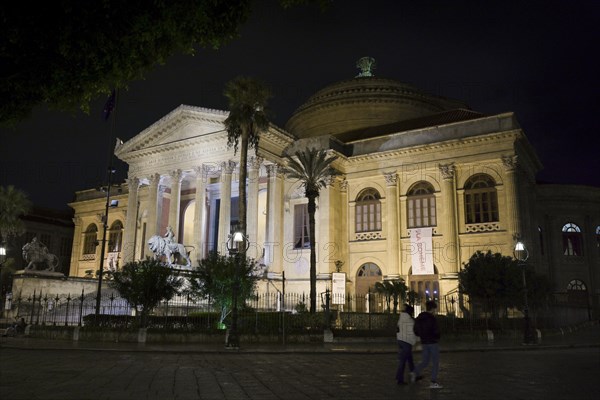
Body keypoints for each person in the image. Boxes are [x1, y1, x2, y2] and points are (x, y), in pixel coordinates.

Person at [411, 300, 443, 389]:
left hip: (424, 342)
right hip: (432, 342)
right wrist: (437, 337)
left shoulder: (420, 317)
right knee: (435, 362)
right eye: (435, 309)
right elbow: (436, 331)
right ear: (432, 309)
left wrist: (421, 335)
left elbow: (416, 330)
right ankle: (433, 381)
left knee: (425, 361)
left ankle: (415, 372)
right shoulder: (432, 318)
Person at [395, 304, 417, 384]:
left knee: (409, 359)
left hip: (400, 340)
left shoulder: (401, 318)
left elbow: (397, 329)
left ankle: (414, 374)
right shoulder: (410, 321)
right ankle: (399, 379)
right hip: (407, 342)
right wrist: (414, 341)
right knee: (403, 361)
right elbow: (412, 333)